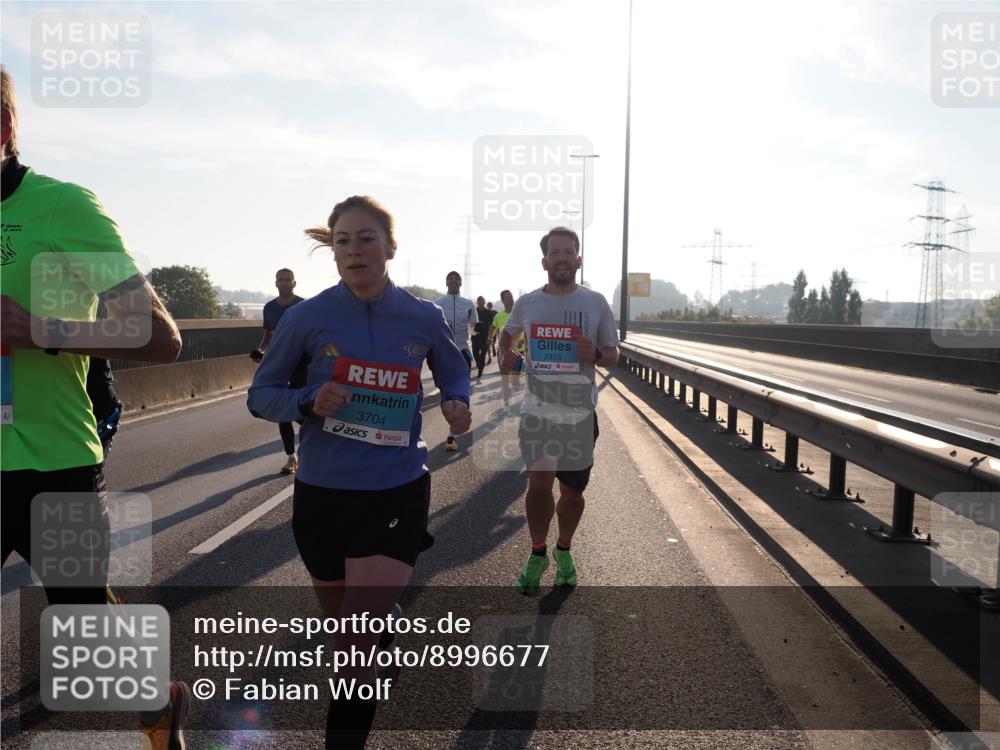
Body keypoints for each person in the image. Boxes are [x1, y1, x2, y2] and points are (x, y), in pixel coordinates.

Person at [0, 67, 190, 749]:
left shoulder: (63, 207)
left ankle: (156, 704)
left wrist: (39, 330)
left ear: (5, 128)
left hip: (52, 464)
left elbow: (160, 336)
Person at [247, 195, 471, 749]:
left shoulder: (422, 316)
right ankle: (385, 633)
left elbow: (454, 369)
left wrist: (457, 402)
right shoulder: (307, 317)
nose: (353, 251)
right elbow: (261, 395)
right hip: (322, 496)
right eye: (342, 241)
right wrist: (306, 400)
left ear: (391, 247)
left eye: (366, 239)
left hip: (394, 491)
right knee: (347, 630)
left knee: (352, 645)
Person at [498, 227, 619, 595]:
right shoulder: (528, 303)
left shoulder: (596, 302)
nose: (562, 257)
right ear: (544, 260)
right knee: (538, 482)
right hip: (538, 410)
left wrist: (595, 355)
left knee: (571, 493)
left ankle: (563, 548)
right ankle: (538, 553)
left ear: (578, 260)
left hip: (580, 414)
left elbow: (613, 355)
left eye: (569, 251)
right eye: (556, 252)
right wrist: (507, 355)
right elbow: (509, 336)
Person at [251, 268, 305, 474]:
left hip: (301, 365)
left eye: (287, 280)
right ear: (275, 283)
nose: (284, 283)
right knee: (282, 412)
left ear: (294, 283)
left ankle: (310, 449)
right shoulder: (269, 308)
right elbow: (268, 336)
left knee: (302, 412)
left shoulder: (303, 305)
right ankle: (291, 457)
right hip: (279, 365)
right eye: (280, 280)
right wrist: (260, 350)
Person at [433, 272, 474, 451]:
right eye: (451, 277)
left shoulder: (468, 304)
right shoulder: (438, 304)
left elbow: (473, 326)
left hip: (463, 351)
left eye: (457, 278)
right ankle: (453, 421)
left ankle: (452, 435)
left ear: (461, 282)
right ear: (446, 281)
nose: (454, 280)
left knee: (462, 392)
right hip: (443, 353)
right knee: (446, 393)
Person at [490, 289, 525, 412]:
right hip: (504, 352)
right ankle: (506, 404)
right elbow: (493, 327)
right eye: (508, 297)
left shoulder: (520, 313)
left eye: (511, 296)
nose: (511, 299)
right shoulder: (499, 316)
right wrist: (490, 338)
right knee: (504, 378)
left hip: (520, 352)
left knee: (515, 381)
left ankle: (518, 390)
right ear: (503, 300)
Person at [471, 295, 492, 382]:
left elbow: (491, 325)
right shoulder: (474, 311)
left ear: (484, 302)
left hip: (485, 337)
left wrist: (490, 337)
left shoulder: (488, 312)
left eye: (481, 301)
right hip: (475, 337)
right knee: (475, 355)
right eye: (478, 301)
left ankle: (479, 375)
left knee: (483, 356)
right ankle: (479, 363)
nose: (480, 302)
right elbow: (470, 323)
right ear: (477, 302)